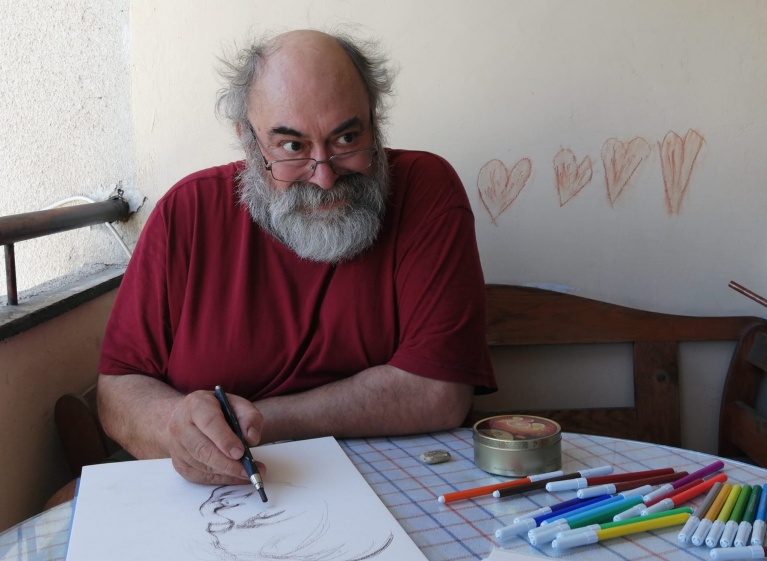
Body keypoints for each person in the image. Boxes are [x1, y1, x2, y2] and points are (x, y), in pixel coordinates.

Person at [95, 28, 496, 490]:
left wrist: (252, 422)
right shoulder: (187, 212)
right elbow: (119, 388)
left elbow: (439, 392)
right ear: (248, 141)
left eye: (347, 138)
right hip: (212, 497)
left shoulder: (426, 189)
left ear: (375, 121)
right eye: (292, 147)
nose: (324, 177)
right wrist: (176, 428)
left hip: (398, 488)